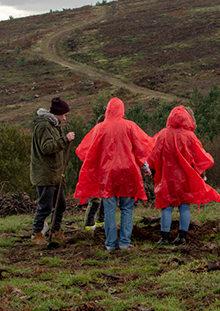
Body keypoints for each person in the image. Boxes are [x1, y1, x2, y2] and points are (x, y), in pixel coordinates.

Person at [74, 98, 155, 251]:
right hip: (128, 173)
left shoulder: (99, 128)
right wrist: (146, 169)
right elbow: (141, 149)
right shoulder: (130, 126)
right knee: (126, 208)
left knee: (109, 209)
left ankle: (110, 244)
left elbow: (89, 152)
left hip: (107, 174)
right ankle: (124, 243)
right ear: (122, 110)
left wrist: (94, 170)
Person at [148, 106, 220, 245]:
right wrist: (201, 174)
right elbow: (199, 156)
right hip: (185, 178)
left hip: (167, 177)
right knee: (184, 206)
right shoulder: (190, 136)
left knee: (167, 207)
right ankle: (182, 236)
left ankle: (164, 238)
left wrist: (152, 171)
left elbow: (153, 155)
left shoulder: (163, 134)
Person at [30, 97, 75, 246]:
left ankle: (56, 231)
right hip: (45, 174)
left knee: (60, 205)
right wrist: (65, 140)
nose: (65, 117)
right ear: (57, 113)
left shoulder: (53, 125)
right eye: (64, 114)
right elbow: (47, 147)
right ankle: (37, 234)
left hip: (55, 174)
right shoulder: (44, 126)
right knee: (45, 206)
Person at [83, 114, 106, 233]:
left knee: (104, 198)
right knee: (96, 199)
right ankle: (88, 225)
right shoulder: (95, 136)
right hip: (95, 172)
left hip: (103, 172)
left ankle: (99, 223)